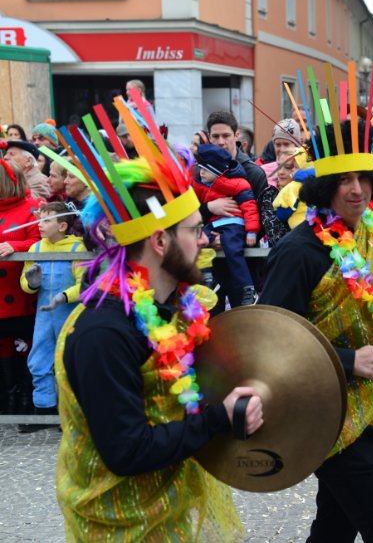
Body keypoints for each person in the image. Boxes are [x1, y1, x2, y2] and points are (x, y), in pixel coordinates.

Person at [259, 112, 373, 542]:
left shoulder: (371, 234)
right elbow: (269, 343)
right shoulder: (298, 252)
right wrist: (347, 360)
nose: (357, 189)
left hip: (369, 411)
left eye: (364, 178)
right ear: (324, 187)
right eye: (344, 180)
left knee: (334, 527)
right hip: (325, 415)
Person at [55, 149, 263, 540]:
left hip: (170, 515)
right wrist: (220, 419)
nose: (206, 240)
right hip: (117, 526)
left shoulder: (178, 307)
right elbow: (126, 451)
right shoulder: (104, 333)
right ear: (160, 240)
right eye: (195, 230)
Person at [18, 201, 85, 432]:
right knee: (38, 359)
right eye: (39, 219)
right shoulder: (35, 249)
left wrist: (64, 296)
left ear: (63, 226)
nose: (40, 224)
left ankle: (70, 412)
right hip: (44, 316)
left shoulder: (78, 249)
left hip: (71, 314)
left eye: (46, 220)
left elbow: (84, 285)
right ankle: (44, 409)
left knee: (70, 362)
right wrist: (31, 283)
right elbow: (25, 284)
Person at [193, 144, 260, 306]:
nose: (201, 173)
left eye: (205, 169)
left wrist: (251, 231)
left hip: (233, 225)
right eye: (200, 168)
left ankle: (248, 287)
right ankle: (207, 277)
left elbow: (250, 207)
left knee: (232, 250)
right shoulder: (202, 186)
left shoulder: (237, 183)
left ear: (217, 171)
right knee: (199, 241)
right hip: (212, 226)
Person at [0, 159, 40, 416]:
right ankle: (7, 401)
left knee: (25, 346)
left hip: (21, 295)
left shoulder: (33, 207)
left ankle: (26, 403)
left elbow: (40, 240)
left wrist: (17, 247)